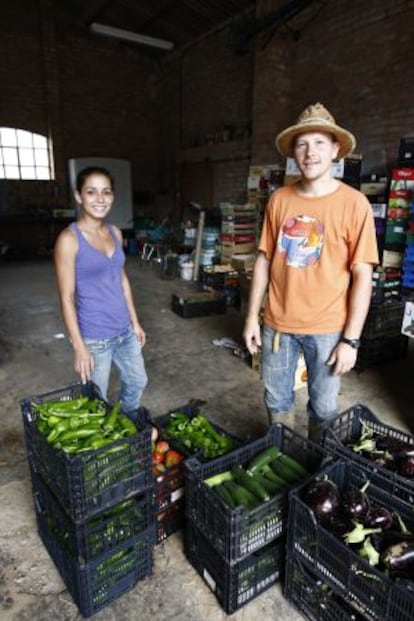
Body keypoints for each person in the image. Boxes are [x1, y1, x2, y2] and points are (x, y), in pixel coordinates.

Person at [243, 103, 379, 440]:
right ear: (294, 153)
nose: (310, 152)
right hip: (277, 325)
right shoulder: (279, 200)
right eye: (302, 144)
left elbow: (363, 276)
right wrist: (251, 318)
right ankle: (280, 457)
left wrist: (351, 340)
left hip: (328, 329)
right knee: (276, 400)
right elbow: (263, 260)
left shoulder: (354, 204)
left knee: (324, 407)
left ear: (335, 150)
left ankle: (319, 470)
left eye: (319, 143)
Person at [54, 166, 147, 419]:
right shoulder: (69, 240)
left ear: (113, 196)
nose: (100, 199)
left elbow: (121, 279)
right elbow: (66, 297)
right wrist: (79, 346)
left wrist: (135, 322)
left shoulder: (115, 233)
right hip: (95, 338)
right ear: (78, 196)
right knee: (95, 401)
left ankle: (125, 425)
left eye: (106, 192)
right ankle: (102, 450)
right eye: (91, 192)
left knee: (138, 382)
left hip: (124, 331)